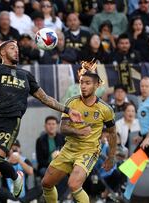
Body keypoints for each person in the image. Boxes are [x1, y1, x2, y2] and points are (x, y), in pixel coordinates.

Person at [0, 39, 82, 203]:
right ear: (2, 52)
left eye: (17, 48)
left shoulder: (26, 75)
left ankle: (16, 176)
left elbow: (45, 98)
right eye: (12, 48)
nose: (16, 51)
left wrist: (67, 110)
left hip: (9, 122)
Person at [41, 60, 117, 203]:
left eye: (87, 83)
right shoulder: (72, 102)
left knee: (74, 184)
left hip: (88, 151)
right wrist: (78, 132)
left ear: (96, 85)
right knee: (46, 183)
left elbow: (112, 133)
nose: (83, 86)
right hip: (69, 149)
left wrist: (111, 156)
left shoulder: (105, 109)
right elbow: (63, 128)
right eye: (81, 82)